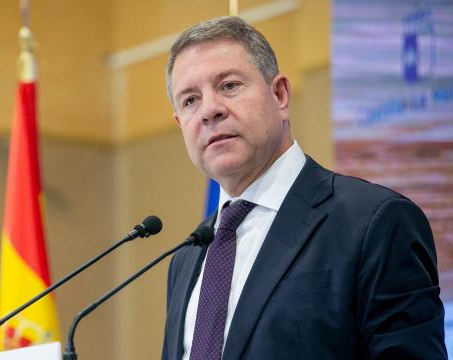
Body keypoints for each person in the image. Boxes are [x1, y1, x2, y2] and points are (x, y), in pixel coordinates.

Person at [161, 16, 446, 360]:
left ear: (279, 95)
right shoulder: (187, 258)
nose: (209, 110)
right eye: (190, 100)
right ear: (180, 124)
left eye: (229, 85)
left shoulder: (374, 222)